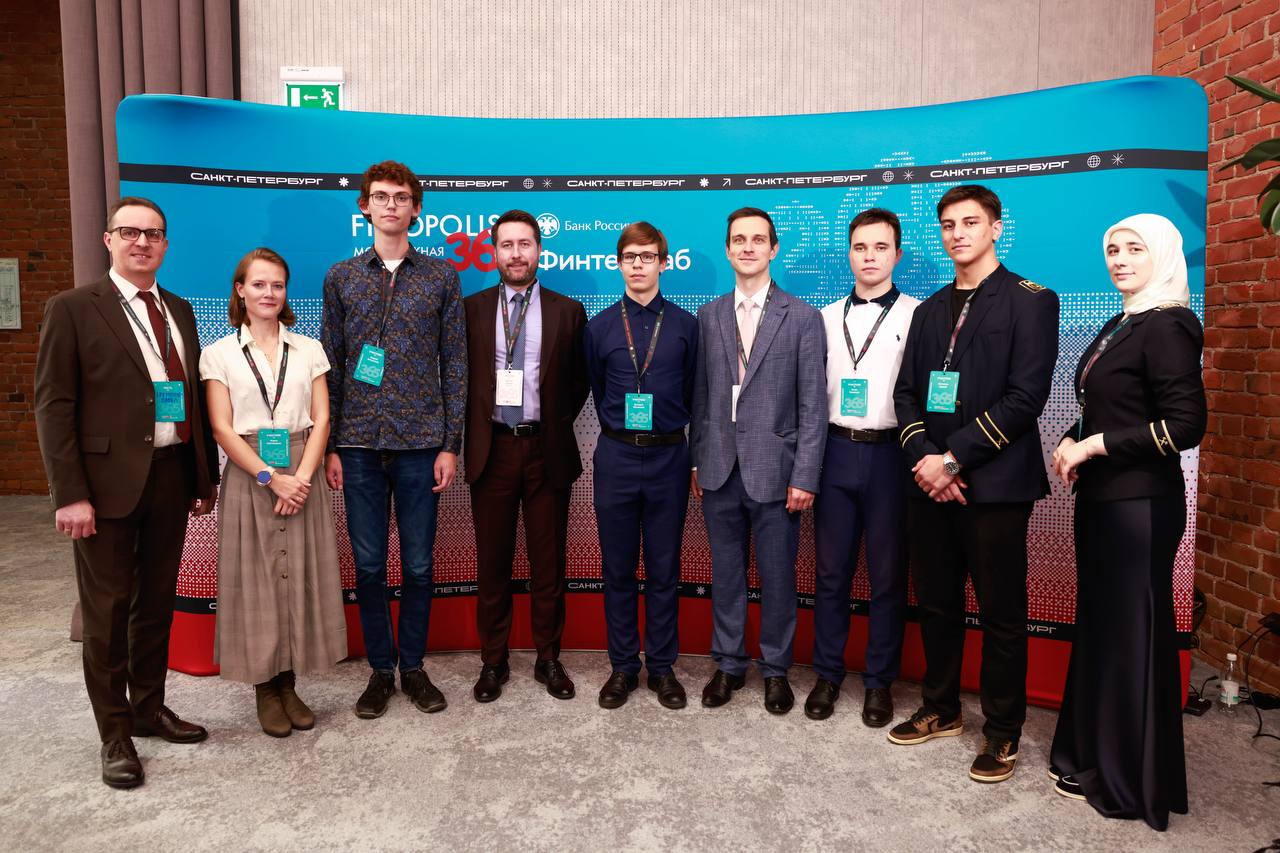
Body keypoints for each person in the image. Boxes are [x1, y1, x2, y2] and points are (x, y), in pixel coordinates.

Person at [34, 197, 219, 788]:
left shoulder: (180, 310)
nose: (143, 242)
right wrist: (69, 494)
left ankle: (147, 708)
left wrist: (201, 478)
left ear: (165, 244)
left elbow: (189, 400)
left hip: (170, 475)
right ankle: (114, 734)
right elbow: (54, 406)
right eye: (130, 232)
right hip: (104, 487)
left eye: (154, 233)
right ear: (108, 240)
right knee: (107, 613)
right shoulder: (72, 308)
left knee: (156, 605)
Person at [890, 184, 1058, 783]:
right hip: (929, 485)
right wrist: (927, 461)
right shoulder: (928, 310)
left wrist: (953, 461)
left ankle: (1003, 731)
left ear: (995, 228)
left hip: (996, 487)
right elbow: (905, 395)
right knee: (937, 604)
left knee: (1001, 615)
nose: (957, 234)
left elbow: (1025, 399)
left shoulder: (1031, 301)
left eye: (969, 222)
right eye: (948, 225)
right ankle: (941, 708)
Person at [1049, 214, 1203, 830]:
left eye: (1135, 249)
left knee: (1131, 636)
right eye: (1112, 249)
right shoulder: (1124, 321)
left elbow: (1186, 424)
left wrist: (1094, 446)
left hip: (1140, 507)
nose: (1120, 259)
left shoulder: (1167, 325)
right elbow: (1107, 406)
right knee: (1106, 630)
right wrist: (1072, 436)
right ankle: (1094, 755)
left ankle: (1127, 782)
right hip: (1104, 500)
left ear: (1161, 255)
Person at [321, 160, 467, 719]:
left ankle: (415, 668)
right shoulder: (341, 277)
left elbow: (455, 364)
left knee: (420, 567)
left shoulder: (441, 277)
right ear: (364, 206)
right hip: (357, 445)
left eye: (401, 197)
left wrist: (450, 444)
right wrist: (331, 444)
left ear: (416, 209)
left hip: (421, 445)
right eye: (381, 196)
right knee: (368, 566)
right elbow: (332, 365)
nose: (391, 205)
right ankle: (381, 671)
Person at [201, 248, 348, 737]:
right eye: (259, 284)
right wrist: (271, 478)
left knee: (298, 578)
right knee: (258, 582)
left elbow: (322, 418)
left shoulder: (308, 349)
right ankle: (265, 689)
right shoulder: (219, 353)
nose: (269, 293)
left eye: (277, 285)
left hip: (302, 468)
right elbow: (222, 428)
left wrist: (300, 478)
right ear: (240, 290)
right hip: (251, 473)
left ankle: (289, 684)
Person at [690, 206, 826, 715]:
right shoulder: (708, 316)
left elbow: (813, 407)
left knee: (778, 578)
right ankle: (728, 665)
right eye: (739, 240)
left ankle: (775, 670)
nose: (748, 247)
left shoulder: (803, 318)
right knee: (726, 575)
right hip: (719, 468)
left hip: (778, 472)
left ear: (773, 249)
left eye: (758, 239)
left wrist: (805, 474)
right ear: (728, 250)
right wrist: (697, 462)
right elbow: (702, 397)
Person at [463, 209, 589, 702]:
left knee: (548, 564)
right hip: (491, 449)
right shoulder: (471, 309)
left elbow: (578, 382)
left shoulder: (567, 310)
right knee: (492, 564)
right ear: (494, 252)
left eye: (525, 245)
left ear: (539, 250)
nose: (516, 254)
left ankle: (548, 658)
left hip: (545, 450)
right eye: (507, 245)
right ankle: (493, 661)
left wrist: (549, 422)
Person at [807, 208, 919, 726]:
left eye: (880, 247)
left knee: (888, 576)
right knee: (831, 573)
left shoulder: (918, 315)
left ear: (897, 254)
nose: (869, 257)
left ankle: (878, 682)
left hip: (891, 456)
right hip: (834, 452)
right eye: (860, 248)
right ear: (848, 255)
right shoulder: (824, 317)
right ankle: (827, 674)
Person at [584, 222, 698, 710]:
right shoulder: (600, 327)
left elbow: (694, 393)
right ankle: (623, 667)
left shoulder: (687, 326)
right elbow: (596, 387)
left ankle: (663, 668)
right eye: (629, 256)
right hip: (617, 456)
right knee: (617, 568)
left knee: (664, 568)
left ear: (663, 263)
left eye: (647, 256)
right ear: (618, 263)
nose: (638, 265)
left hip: (671, 455)